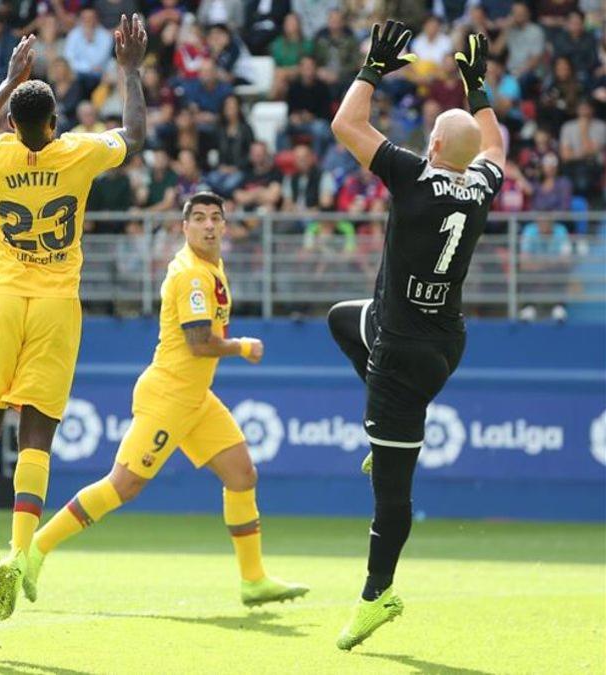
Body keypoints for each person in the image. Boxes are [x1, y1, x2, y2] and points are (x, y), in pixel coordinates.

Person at [0, 16, 146, 621]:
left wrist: (9, 82)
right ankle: (16, 552)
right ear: (55, 124)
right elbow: (135, 136)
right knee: (37, 436)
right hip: (58, 304)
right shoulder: (77, 152)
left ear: (14, 122)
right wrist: (130, 69)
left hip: (4, 296)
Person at [29, 191, 308, 606]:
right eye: (199, 218)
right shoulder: (193, 275)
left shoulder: (213, 267)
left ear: (225, 225)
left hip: (195, 398)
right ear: (185, 227)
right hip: (170, 396)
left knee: (242, 475)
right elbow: (199, 343)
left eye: (216, 217)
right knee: (122, 486)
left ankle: (253, 580)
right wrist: (243, 347)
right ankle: (36, 548)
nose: (209, 225)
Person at [327, 26, 505, 650]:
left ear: (432, 143)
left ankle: (377, 594)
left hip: (403, 356)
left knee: (391, 496)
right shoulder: (482, 187)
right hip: (439, 341)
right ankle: (387, 445)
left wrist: (372, 69)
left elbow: (346, 126)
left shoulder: (414, 176)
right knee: (344, 320)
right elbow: (498, 146)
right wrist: (478, 87)